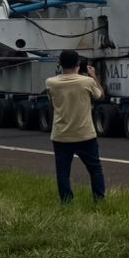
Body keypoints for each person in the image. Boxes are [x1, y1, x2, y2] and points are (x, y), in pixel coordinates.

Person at [46, 50, 106, 204]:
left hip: (61, 135)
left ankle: (66, 201)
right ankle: (99, 200)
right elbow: (100, 96)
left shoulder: (51, 83)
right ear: (78, 64)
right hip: (84, 134)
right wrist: (94, 76)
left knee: (63, 172)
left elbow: (51, 101)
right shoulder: (86, 82)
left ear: (60, 64)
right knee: (95, 169)